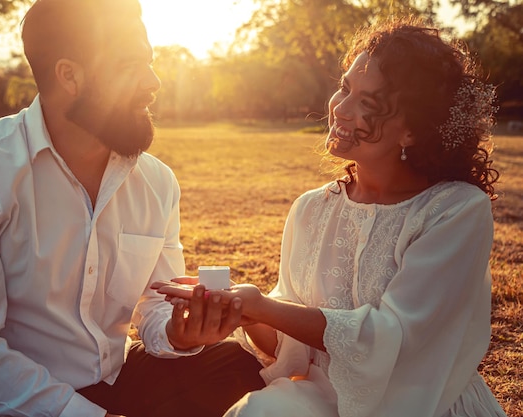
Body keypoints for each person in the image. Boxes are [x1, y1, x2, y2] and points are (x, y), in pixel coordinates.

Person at [0, 0, 265, 416]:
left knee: (234, 367)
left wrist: (180, 333)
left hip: (107, 383)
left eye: (149, 62)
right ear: (69, 75)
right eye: (130, 65)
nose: (153, 82)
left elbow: (157, 303)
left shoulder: (156, 181)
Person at [154, 18, 508, 417]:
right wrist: (242, 309)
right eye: (344, 88)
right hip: (315, 401)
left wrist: (264, 307)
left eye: (367, 103)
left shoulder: (456, 210)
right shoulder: (311, 208)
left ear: (412, 131)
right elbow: (289, 347)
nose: (339, 108)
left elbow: (397, 340)